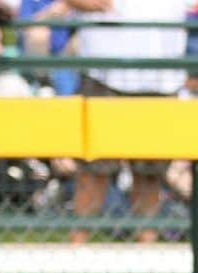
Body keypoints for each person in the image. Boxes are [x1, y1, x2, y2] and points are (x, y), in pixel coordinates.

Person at [68, 0, 190, 243]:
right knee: (93, 170)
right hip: (104, 71)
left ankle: (147, 248)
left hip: (162, 76)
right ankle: (74, 250)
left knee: (150, 173)